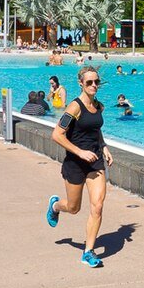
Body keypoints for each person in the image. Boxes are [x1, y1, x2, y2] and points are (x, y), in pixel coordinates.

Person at [46, 66, 113, 269]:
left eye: (96, 82)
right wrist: (80, 152)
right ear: (81, 83)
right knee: (73, 208)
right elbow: (57, 134)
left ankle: (88, 252)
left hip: (95, 162)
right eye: (89, 82)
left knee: (97, 206)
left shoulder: (98, 106)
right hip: (75, 163)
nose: (94, 85)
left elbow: (95, 130)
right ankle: (55, 206)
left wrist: (104, 146)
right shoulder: (74, 107)